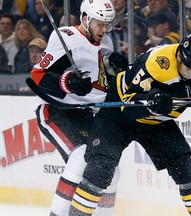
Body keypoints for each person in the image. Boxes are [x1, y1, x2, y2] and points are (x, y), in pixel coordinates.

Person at [68, 35, 191, 215]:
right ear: (178, 57)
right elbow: (129, 107)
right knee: (100, 169)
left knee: (186, 170)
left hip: (158, 121)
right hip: (119, 115)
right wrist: (151, 100)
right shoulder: (158, 63)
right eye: (187, 68)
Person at [30, 0, 128, 215]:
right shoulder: (66, 37)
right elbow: (37, 76)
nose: (104, 30)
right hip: (57, 110)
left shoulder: (107, 43)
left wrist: (117, 73)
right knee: (81, 157)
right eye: (99, 24)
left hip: (88, 113)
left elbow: (102, 84)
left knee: (111, 168)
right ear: (85, 18)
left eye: (107, 24)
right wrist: (68, 82)